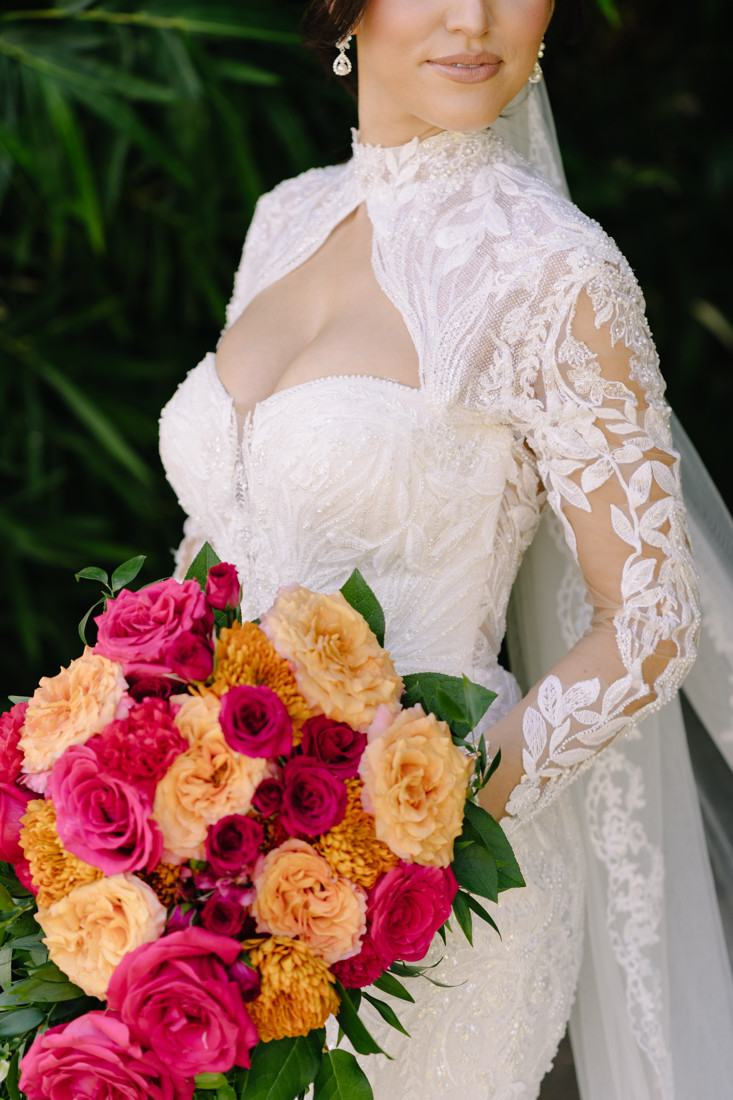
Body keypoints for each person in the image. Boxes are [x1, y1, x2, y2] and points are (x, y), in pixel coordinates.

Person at [159, 1, 733, 1096]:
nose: (476, 19)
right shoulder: (285, 218)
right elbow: (220, 541)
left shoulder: (556, 271)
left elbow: (650, 622)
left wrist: (420, 827)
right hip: (219, 867)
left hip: (432, 896)